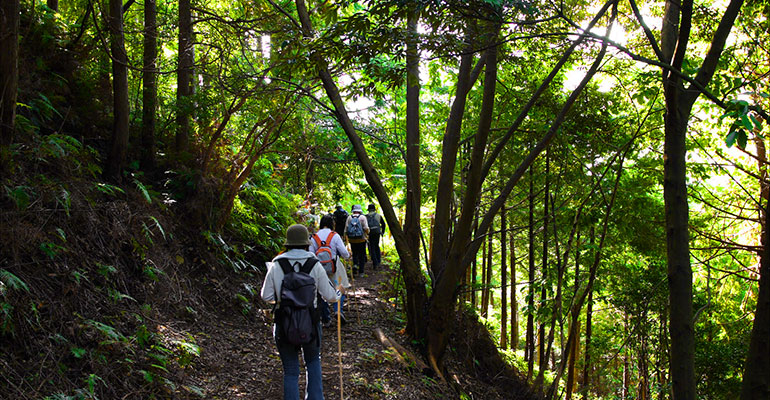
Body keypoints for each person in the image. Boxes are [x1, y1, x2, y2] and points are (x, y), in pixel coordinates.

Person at [261, 224, 340, 400]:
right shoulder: (314, 264)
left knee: (290, 370)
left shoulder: (276, 264)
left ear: (287, 244)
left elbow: (266, 296)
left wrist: (283, 301)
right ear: (306, 243)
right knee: (312, 361)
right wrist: (339, 291)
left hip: (284, 322)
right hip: (310, 322)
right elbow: (331, 296)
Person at [309, 214, 351, 324]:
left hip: (318, 268)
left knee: (320, 291)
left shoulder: (314, 237)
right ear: (332, 224)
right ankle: (338, 310)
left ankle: (326, 318)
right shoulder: (335, 236)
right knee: (339, 287)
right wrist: (348, 255)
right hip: (334, 268)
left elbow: (311, 255)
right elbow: (345, 254)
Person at [345, 204, 369, 275]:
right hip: (361, 239)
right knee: (362, 255)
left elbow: (346, 229)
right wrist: (367, 234)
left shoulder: (349, 217)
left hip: (352, 240)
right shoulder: (363, 217)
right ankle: (361, 272)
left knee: (354, 253)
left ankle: (355, 265)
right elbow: (366, 228)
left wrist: (346, 237)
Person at [365, 204, 386, 270]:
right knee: (376, 246)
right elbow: (383, 224)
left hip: (370, 232)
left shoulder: (366, 216)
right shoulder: (378, 216)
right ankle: (378, 261)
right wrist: (382, 232)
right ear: (374, 209)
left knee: (371, 247)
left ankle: (375, 263)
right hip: (377, 232)